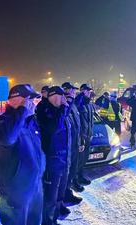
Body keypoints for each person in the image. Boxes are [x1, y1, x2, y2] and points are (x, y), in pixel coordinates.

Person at [0, 84, 45, 225]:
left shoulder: (30, 122)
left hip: (34, 187)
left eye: (33, 101)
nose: (31, 104)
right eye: (28, 100)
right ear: (14, 100)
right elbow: (7, 138)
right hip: (14, 192)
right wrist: (22, 111)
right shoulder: (2, 122)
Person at [36, 86, 72, 225]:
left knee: (59, 195)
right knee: (50, 197)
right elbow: (53, 129)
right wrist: (63, 108)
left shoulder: (59, 111)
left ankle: (54, 220)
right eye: (62, 96)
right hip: (52, 160)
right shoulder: (45, 110)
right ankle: (47, 221)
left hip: (63, 158)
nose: (64, 99)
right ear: (53, 96)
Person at [60, 82, 83, 217]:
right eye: (72, 90)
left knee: (72, 170)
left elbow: (77, 125)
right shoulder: (63, 106)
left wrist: (80, 141)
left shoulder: (73, 105)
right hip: (66, 146)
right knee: (64, 175)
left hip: (74, 144)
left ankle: (67, 194)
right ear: (66, 91)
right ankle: (60, 201)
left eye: (74, 91)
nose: (74, 92)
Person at [74, 84, 94, 191]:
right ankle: (74, 181)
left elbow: (90, 122)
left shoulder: (89, 104)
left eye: (90, 91)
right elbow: (78, 123)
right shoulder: (79, 103)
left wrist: (90, 134)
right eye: (87, 91)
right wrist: (80, 140)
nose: (89, 92)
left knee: (84, 159)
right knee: (78, 160)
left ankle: (80, 176)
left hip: (88, 136)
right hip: (81, 137)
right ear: (82, 91)